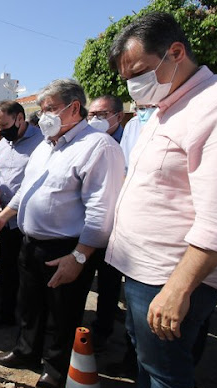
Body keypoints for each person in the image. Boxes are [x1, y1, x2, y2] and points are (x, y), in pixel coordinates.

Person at [106, 12, 217, 388]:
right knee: (147, 363)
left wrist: (178, 289)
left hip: (171, 274)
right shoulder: (167, 108)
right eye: (127, 78)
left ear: (176, 52)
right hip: (144, 269)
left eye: (141, 71)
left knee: (166, 374)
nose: (134, 86)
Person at [0, 79, 124, 388]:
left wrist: (80, 256)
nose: (43, 116)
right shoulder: (47, 145)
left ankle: (56, 370)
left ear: (74, 108)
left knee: (64, 313)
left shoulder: (98, 147)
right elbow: (27, 188)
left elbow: (101, 210)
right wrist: (5, 216)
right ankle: (26, 351)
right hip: (31, 241)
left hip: (67, 248)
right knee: (29, 304)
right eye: (43, 110)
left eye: (49, 109)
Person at [0, 101, 43, 329]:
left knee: (29, 274)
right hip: (4, 221)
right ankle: (6, 313)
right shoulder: (4, 144)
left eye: (4, 125)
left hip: (29, 221)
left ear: (19, 118)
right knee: (7, 269)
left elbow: (33, 185)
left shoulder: (43, 143)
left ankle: (28, 320)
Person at [86, 94, 126, 351]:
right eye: (91, 115)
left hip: (118, 229)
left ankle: (103, 330)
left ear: (118, 116)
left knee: (110, 284)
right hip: (89, 226)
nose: (95, 120)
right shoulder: (88, 142)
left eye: (101, 115)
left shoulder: (130, 142)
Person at [119, 104, 157, 172]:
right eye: (141, 108)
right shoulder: (132, 124)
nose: (144, 112)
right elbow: (123, 161)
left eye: (153, 107)